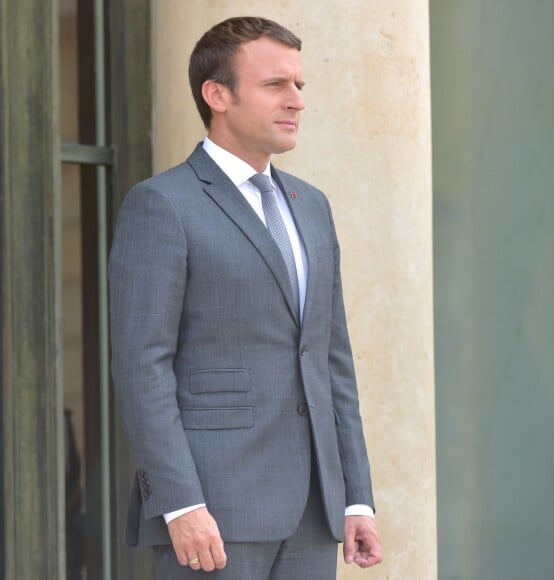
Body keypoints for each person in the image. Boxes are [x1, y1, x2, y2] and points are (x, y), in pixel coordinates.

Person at [109, 16, 382, 580]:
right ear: (218, 95)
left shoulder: (311, 205)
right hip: (213, 512)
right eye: (275, 85)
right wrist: (179, 503)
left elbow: (332, 359)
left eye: (299, 86)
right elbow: (142, 367)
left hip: (313, 512)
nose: (296, 101)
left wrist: (355, 496)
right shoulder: (162, 204)